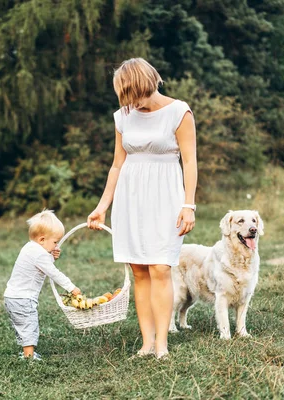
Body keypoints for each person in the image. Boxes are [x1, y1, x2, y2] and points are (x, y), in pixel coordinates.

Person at [87, 58, 197, 359]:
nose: (130, 103)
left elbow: (189, 161)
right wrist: (102, 207)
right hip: (130, 197)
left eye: (132, 95)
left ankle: (162, 344)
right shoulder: (123, 116)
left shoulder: (179, 112)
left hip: (166, 197)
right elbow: (117, 164)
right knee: (138, 270)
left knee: (160, 267)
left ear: (145, 85)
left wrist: (189, 205)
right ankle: (146, 343)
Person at [4, 210, 81, 360]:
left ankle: (27, 352)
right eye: (55, 242)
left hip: (12, 297)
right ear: (42, 239)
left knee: (23, 325)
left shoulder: (30, 248)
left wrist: (51, 256)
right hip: (23, 298)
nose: (57, 245)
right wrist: (71, 287)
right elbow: (52, 272)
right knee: (29, 324)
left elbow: (42, 266)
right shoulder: (39, 254)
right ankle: (29, 356)